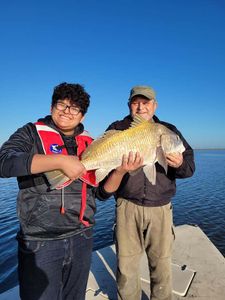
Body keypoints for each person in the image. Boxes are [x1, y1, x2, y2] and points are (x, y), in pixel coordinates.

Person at [0, 82, 98, 300]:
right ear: (52, 106)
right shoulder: (30, 133)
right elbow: (4, 162)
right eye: (61, 105)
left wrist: (120, 171)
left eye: (74, 108)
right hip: (40, 241)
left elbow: (101, 193)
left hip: (82, 236)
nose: (66, 112)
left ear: (82, 116)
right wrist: (59, 161)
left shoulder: (91, 143)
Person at [97, 85, 195, 300]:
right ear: (129, 105)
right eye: (136, 102)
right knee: (126, 265)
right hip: (126, 207)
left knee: (161, 265)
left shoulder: (168, 130)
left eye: (146, 102)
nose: (141, 107)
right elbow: (102, 180)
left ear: (154, 105)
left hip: (160, 208)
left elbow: (189, 168)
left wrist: (178, 163)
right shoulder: (118, 128)